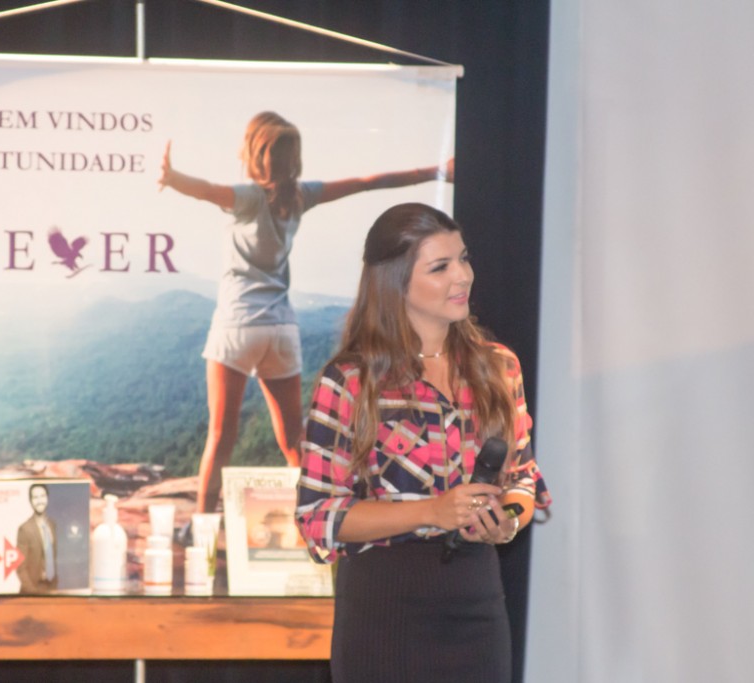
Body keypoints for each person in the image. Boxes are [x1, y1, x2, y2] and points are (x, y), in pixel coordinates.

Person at [295, 203, 551, 682]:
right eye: (440, 267)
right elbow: (318, 517)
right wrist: (433, 511)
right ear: (395, 281)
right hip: (384, 611)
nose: (463, 276)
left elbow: (523, 478)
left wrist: (507, 521)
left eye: (464, 258)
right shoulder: (351, 380)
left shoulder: (499, 367)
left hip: (478, 604)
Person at [158, 111, 454, 514]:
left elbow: (206, 190)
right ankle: (316, 520)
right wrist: (435, 171)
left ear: (254, 153)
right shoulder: (300, 197)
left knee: (220, 436)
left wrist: (173, 178)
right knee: (293, 439)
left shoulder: (249, 198)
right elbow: (367, 182)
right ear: (292, 158)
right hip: (281, 330)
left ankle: (201, 525)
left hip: (236, 327)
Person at [16, 483, 58, 593]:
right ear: (30, 501)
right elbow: (20, 567)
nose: (39, 501)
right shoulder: (25, 529)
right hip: (32, 590)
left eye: (42, 496)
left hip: (51, 588)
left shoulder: (52, 525)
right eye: (35, 497)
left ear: (47, 498)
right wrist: (33, 592)